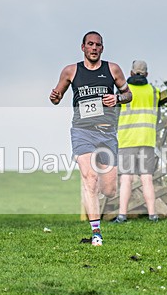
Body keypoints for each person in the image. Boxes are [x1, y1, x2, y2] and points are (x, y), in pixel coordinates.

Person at [49, 31, 131, 246]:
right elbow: (56, 97)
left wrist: (118, 98)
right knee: (89, 179)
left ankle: (97, 187)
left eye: (98, 45)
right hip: (82, 131)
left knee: (109, 190)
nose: (94, 48)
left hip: (107, 133)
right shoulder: (70, 71)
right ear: (83, 47)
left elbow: (128, 94)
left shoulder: (112, 69)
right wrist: (54, 97)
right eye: (90, 44)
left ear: (102, 48)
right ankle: (96, 233)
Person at [111, 60, 160, 223]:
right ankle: (153, 216)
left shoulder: (124, 91)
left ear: (131, 73)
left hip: (128, 139)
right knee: (147, 178)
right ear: (146, 74)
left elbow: (115, 114)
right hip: (147, 139)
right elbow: (157, 115)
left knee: (126, 178)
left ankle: (122, 215)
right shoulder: (154, 91)